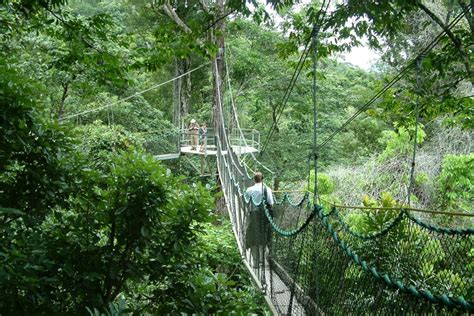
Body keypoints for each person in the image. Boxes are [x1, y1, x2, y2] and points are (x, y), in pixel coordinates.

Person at [245, 172, 274, 269]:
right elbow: (271, 204)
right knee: (263, 238)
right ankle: (262, 260)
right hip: (264, 217)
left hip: (253, 216)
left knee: (252, 238)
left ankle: (255, 262)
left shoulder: (249, 190)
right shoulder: (267, 189)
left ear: (253, 179)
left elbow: (246, 203)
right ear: (263, 179)